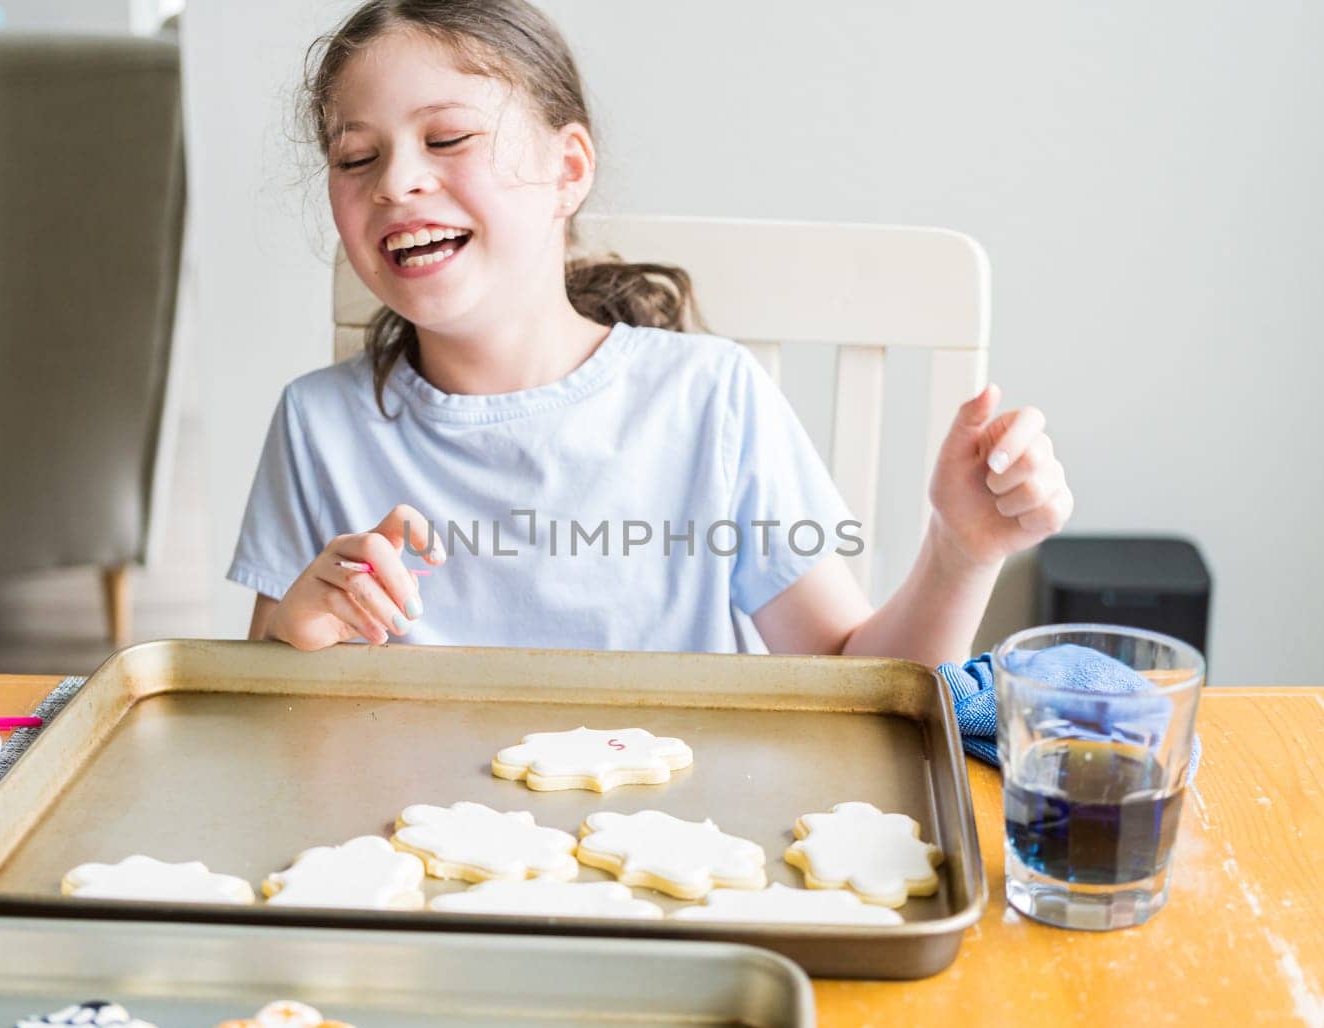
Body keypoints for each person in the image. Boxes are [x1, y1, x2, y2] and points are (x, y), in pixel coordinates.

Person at [229, 0, 1072, 664]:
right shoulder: (317, 426)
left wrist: (961, 551)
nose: (397, 182)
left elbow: (859, 685)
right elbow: (254, 718)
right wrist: (294, 634)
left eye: (446, 137)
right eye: (354, 158)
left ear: (568, 171)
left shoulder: (711, 399)